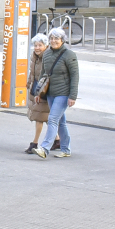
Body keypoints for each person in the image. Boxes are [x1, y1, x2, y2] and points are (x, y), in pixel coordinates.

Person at [33, 27, 79, 159]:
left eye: (56, 39)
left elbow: (75, 76)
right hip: (50, 93)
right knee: (60, 122)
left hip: (63, 93)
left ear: (62, 40)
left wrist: (72, 96)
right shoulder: (47, 54)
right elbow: (43, 74)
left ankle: (44, 148)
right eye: (51, 38)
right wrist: (38, 93)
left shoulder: (69, 55)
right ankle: (65, 149)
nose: (53, 41)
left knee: (52, 119)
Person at [25, 32, 50, 154]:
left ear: (45, 46)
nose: (37, 48)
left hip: (44, 91)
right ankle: (57, 140)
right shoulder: (34, 57)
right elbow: (32, 72)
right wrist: (29, 83)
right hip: (35, 88)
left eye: (40, 45)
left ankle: (34, 143)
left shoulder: (48, 57)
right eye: (35, 45)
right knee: (44, 116)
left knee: (39, 116)